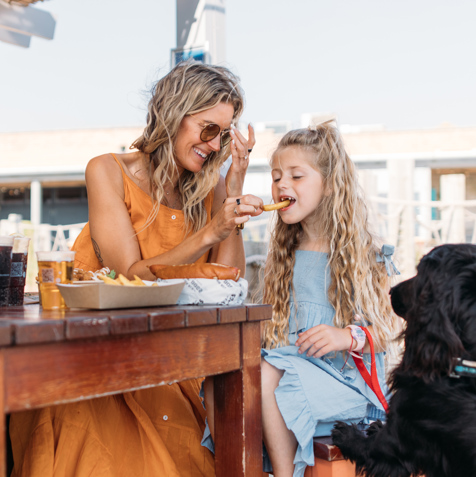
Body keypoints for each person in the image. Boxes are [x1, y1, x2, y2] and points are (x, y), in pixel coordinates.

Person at [10, 61, 263, 477]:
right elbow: (132, 275)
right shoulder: (107, 170)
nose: (216, 145)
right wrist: (208, 232)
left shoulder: (211, 188)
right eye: (208, 129)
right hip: (100, 363)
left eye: (224, 134)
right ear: (174, 113)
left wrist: (231, 192)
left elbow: (228, 282)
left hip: (177, 367)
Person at [260, 122, 401, 477]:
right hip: (290, 373)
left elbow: (387, 329)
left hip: (347, 386)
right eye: (276, 176)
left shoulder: (364, 254)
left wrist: (344, 336)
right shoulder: (285, 254)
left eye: (296, 175)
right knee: (229, 382)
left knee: (265, 374)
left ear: (329, 184)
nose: (281, 185)